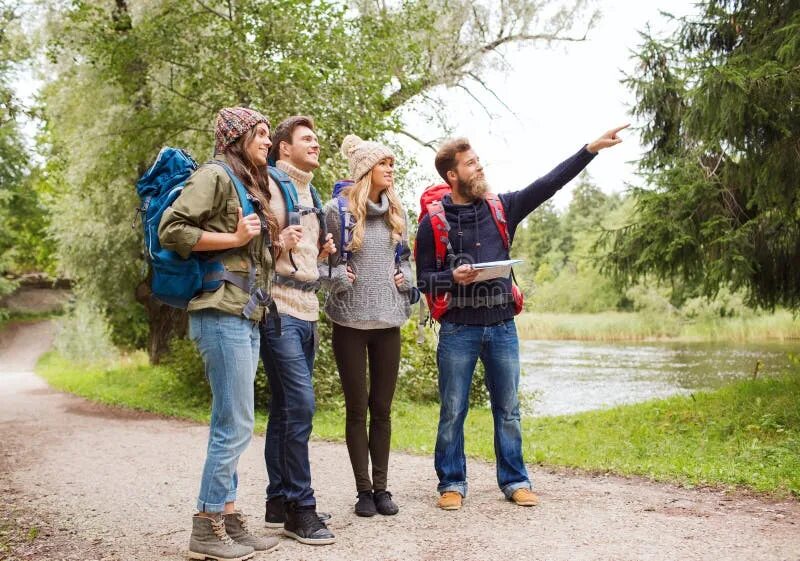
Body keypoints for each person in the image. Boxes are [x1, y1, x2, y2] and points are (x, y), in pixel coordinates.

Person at [415, 125, 629, 511]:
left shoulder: (502, 208)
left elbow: (549, 184)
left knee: (509, 409)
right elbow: (423, 279)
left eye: (478, 161)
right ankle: (451, 483)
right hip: (458, 329)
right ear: (452, 175)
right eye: (470, 164)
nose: (479, 168)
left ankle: (515, 480)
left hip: (501, 327)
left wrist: (590, 149)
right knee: (452, 409)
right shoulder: (433, 222)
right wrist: (451, 277)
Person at [159, 107, 281, 560]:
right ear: (238, 137)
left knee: (231, 423)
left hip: (245, 315)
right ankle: (204, 528)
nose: (268, 141)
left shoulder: (244, 181)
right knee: (235, 424)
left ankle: (227, 519)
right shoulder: (213, 175)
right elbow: (171, 228)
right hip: (219, 313)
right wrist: (232, 239)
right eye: (262, 134)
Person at [322, 135, 413, 517]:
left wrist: (404, 279)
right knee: (357, 409)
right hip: (349, 321)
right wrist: (341, 275)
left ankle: (382, 489)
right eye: (384, 164)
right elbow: (322, 264)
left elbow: (406, 261)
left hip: (389, 321)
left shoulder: (398, 212)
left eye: (392, 164)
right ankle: (363, 492)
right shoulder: (336, 211)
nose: (391, 169)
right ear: (365, 170)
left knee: (383, 408)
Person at [259, 116, 337, 545]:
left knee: (286, 408)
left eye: (317, 139)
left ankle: (277, 502)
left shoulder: (310, 190)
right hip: (278, 309)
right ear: (283, 148)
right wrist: (278, 245)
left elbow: (306, 255)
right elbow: (255, 249)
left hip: (307, 308)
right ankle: (300, 510)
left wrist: (320, 250)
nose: (316, 144)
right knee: (302, 405)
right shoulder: (270, 184)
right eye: (307, 139)